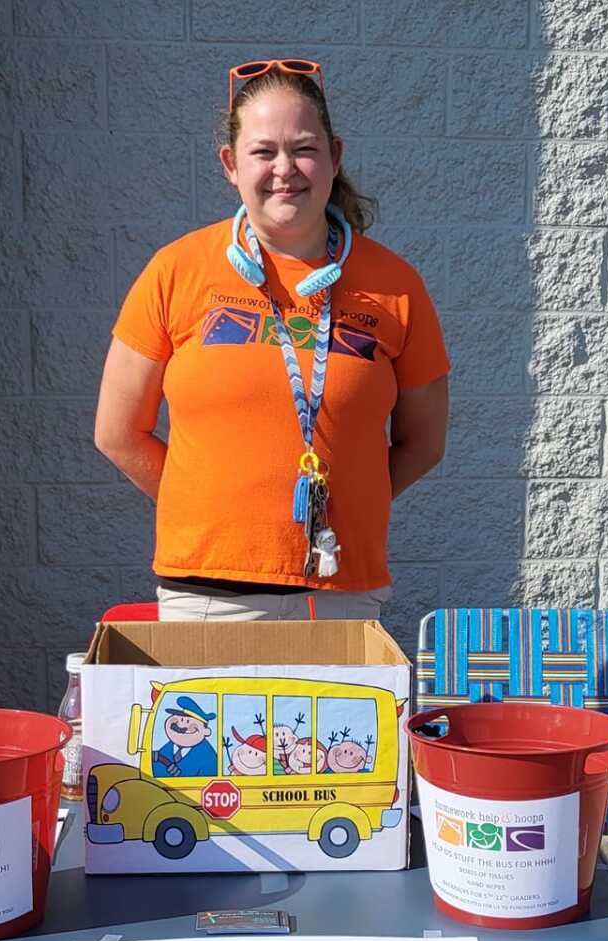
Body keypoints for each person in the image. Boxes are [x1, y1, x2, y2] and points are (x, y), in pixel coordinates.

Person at [95, 58, 451, 622]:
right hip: (207, 592)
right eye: (263, 151)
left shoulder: (396, 285)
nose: (285, 168)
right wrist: (213, 511)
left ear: (335, 156)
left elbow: (424, 443)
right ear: (231, 165)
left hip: (340, 589)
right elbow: (118, 433)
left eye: (303, 148)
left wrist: (349, 507)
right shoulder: (176, 270)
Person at [152, 697, 218, 776]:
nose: (181, 725)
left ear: (206, 732)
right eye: (180, 719)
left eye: (188, 721)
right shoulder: (168, 747)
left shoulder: (208, 756)